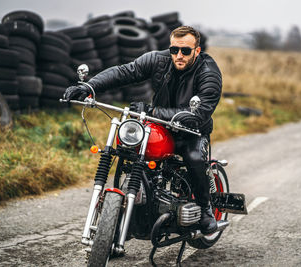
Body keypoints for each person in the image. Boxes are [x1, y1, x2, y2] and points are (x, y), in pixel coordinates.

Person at [64, 26, 222, 234]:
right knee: (131, 150)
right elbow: (124, 72)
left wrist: (152, 110)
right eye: (174, 50)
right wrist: (89, 87)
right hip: (158, 125)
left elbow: (200, 113)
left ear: (197, 51)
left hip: (191, 129)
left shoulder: (209, 73)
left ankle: (205, 208)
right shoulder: (158, 60)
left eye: (185, 51)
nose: (179, 56)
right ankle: (130, 214)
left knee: (193, 158)